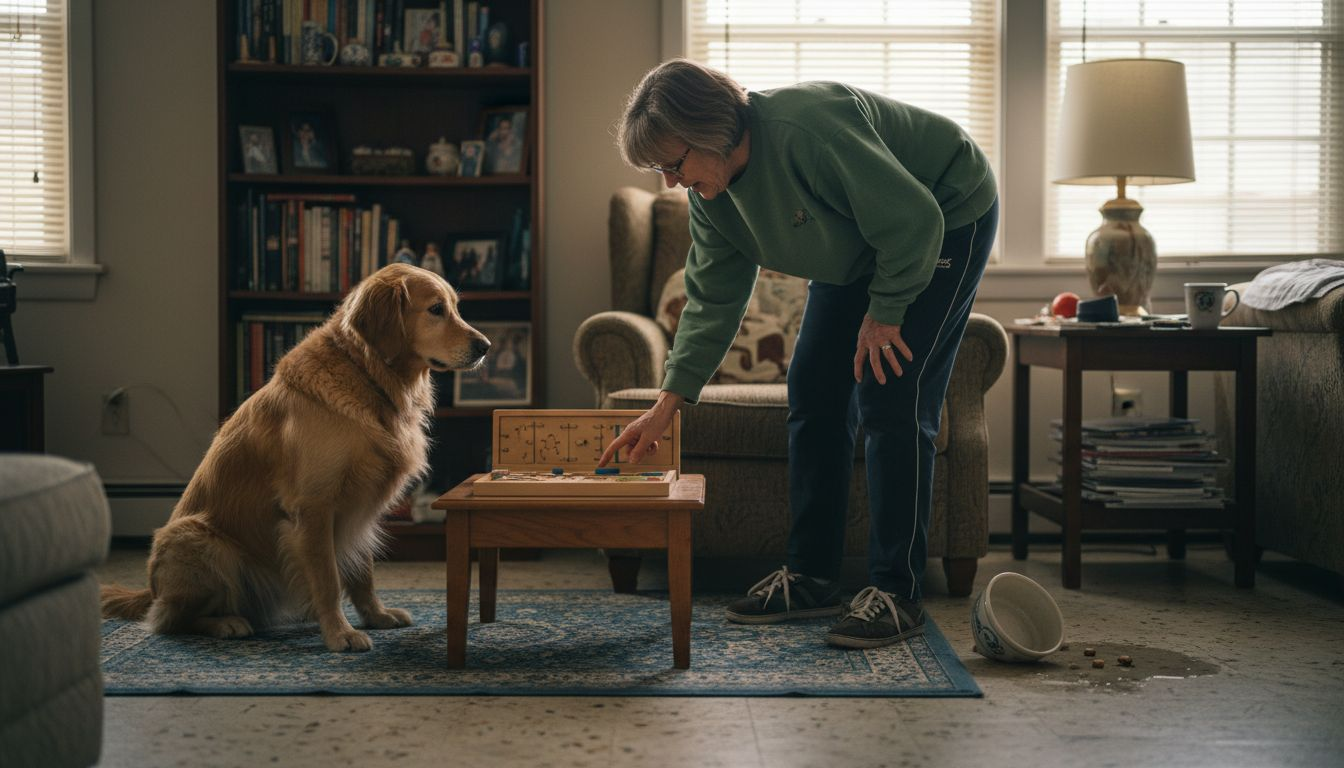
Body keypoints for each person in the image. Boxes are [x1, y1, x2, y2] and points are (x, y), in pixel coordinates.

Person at [602, 59, 998, 649]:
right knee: (813, 392)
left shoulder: (811, 129)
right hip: (856, 241)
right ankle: (812, 577)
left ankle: (897, 591)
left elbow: (913, 220)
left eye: (673, 164)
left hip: (944, 213)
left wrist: (886, 312)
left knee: (891, 394)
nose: (669, 182)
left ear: (711, 130)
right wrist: (666, 406)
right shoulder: (713, 198)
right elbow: (712, 301)